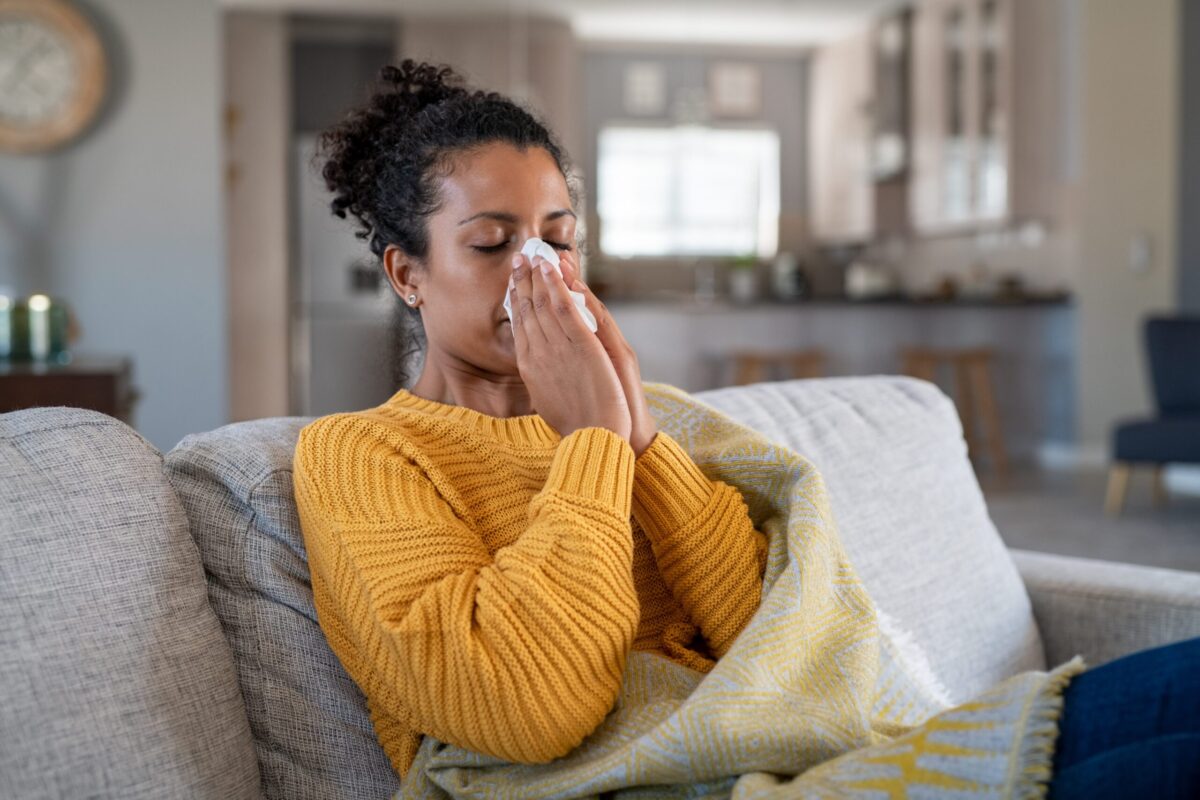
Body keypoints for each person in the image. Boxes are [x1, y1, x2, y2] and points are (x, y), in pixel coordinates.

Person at [291, 59, 1199, 798]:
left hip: (810, 753)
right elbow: (527, 709)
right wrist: (595, 447)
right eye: (492, 244)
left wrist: (638, 435)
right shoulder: (363, 456)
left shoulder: (651, 425)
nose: (539, 268)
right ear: (408, 273)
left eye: (559, 239)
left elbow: (776, 640)